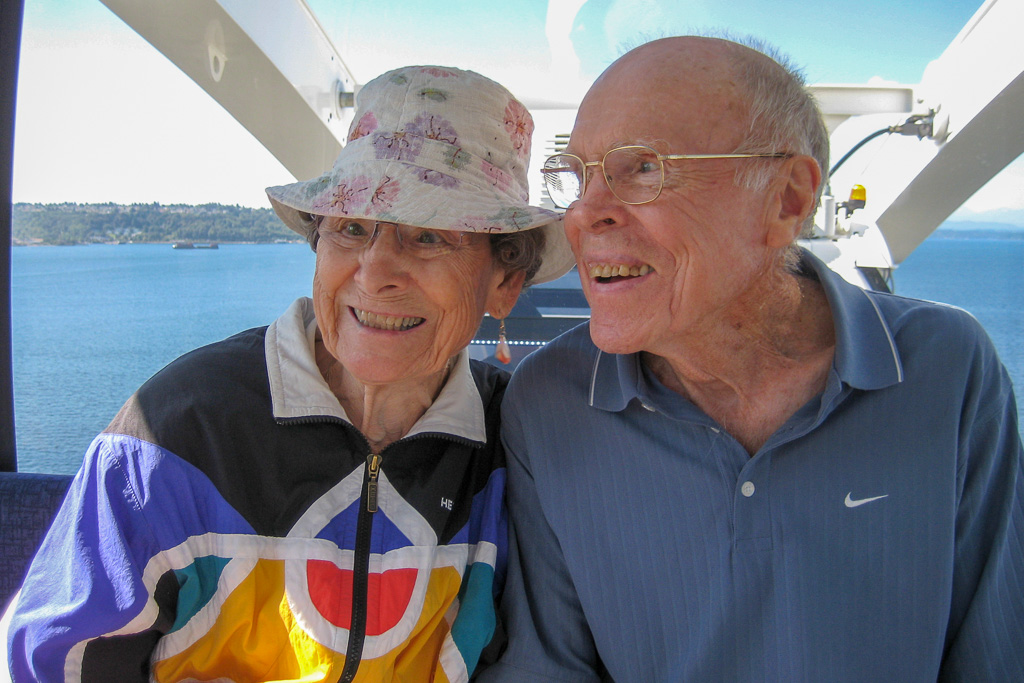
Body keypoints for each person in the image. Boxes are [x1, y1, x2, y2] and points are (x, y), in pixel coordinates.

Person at [1, 65, 574, 682]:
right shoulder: (175, 434)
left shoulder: (522, 450)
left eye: (428, 236)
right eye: (352, 228)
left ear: (505, 281)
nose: (374, 271)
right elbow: (50, 663)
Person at [479, 37, 1024, 681]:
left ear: (787, 200)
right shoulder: (548, 401)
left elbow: (993, 652)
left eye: (645, 168)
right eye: (576, 174)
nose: (584, 214)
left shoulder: (946, 369)